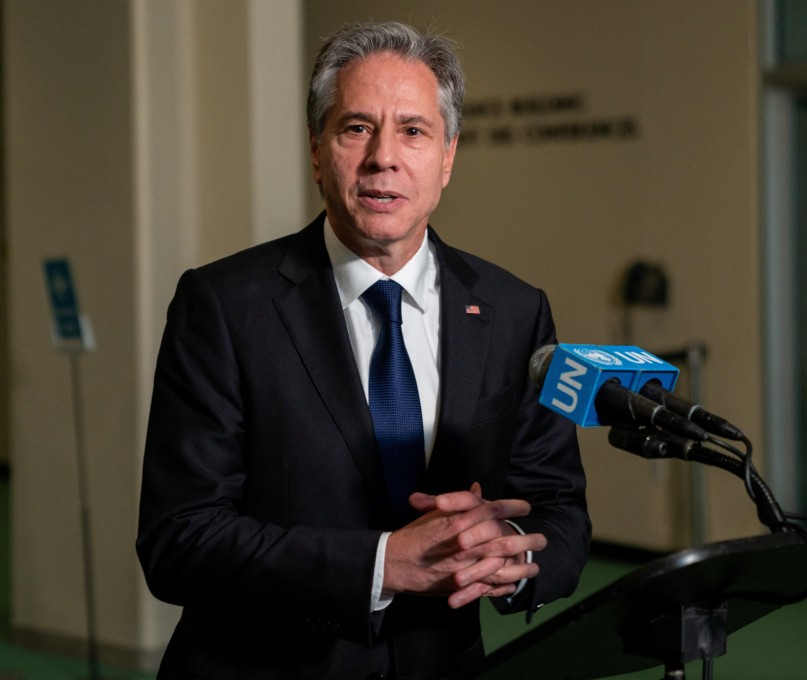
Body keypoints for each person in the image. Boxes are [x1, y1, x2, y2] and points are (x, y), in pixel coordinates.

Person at [136, 21, 590, 679]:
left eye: (413, 130)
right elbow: (180, 539)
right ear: (318, 153)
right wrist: (379, 566)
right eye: (356, 128)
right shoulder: (224, 306)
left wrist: (507, 551)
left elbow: (560, 512)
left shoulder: (515, 312)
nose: (385, 157)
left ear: (448, 156)